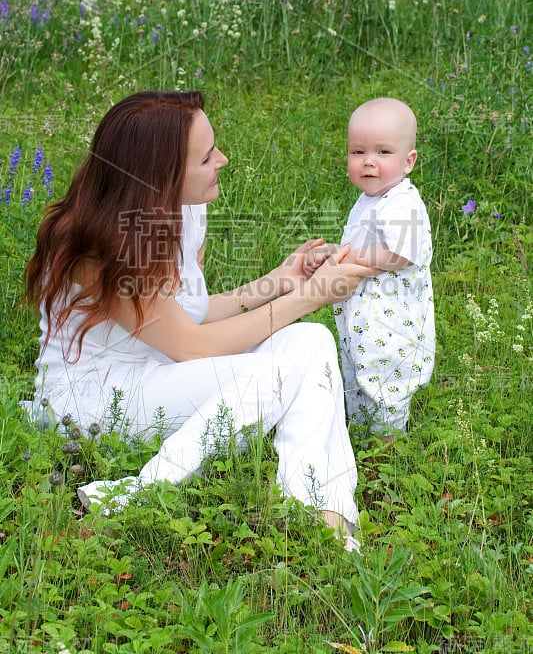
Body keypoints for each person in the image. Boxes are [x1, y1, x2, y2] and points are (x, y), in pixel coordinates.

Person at [25, 90, 372, 551]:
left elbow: (191, 313)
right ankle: (140, 492)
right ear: (161, 178)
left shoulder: (185, 210)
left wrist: (279, 282)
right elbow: (191, 345)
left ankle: (319, 509)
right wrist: (311, 296)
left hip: (160, 367)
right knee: (277, 372)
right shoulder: (100, 244)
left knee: (308, 341)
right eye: (207, 157)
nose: (223, 160)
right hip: (95, 397)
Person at [329, 97, 435, 434]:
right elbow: (367, 246)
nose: (369, 162)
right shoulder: (372, 199)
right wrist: (337, 252)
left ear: (408, 161)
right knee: (359, 373)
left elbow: (401, 254)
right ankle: (360, 435)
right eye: (358, 152)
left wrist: (350, 257)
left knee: (387, 377)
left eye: (383, 152)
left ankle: (388, 449)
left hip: (392, 322)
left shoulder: (403, 202)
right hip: (365, 320)